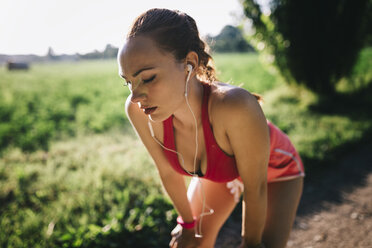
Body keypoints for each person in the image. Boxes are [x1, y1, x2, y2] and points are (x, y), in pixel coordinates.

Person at [117, 8, 304, 248]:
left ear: (189, 64)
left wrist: (251, 243)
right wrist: (186, 224)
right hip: (221, 172)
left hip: (276, 169)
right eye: (129, 82)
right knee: (189, 245)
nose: (136, 96)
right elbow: (167, 172)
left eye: (148, 78)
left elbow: (254, 187)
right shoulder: (140, 110)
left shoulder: (235, 106)